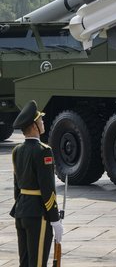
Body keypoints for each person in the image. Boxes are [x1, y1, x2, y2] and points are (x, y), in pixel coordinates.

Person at [10, 100, 63, 267]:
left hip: (21, 212)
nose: (42, 121)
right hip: (38, 214)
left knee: (24, 263)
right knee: (38, 263)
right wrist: (55, 219)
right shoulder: (43, 151)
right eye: (40, 119)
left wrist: (22, 206)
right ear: (34, 126)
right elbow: (47, 189)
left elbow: (17, 187)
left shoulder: (17, 150)